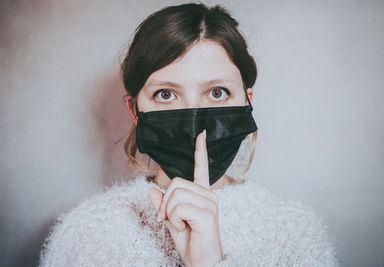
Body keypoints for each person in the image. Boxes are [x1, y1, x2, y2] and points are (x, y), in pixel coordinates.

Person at [39, 3, 338, 266]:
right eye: (166, 94)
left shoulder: (293, 231)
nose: (194, 116)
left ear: (247, 101)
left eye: (217, 92)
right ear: (134, 110)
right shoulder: (87, 234)